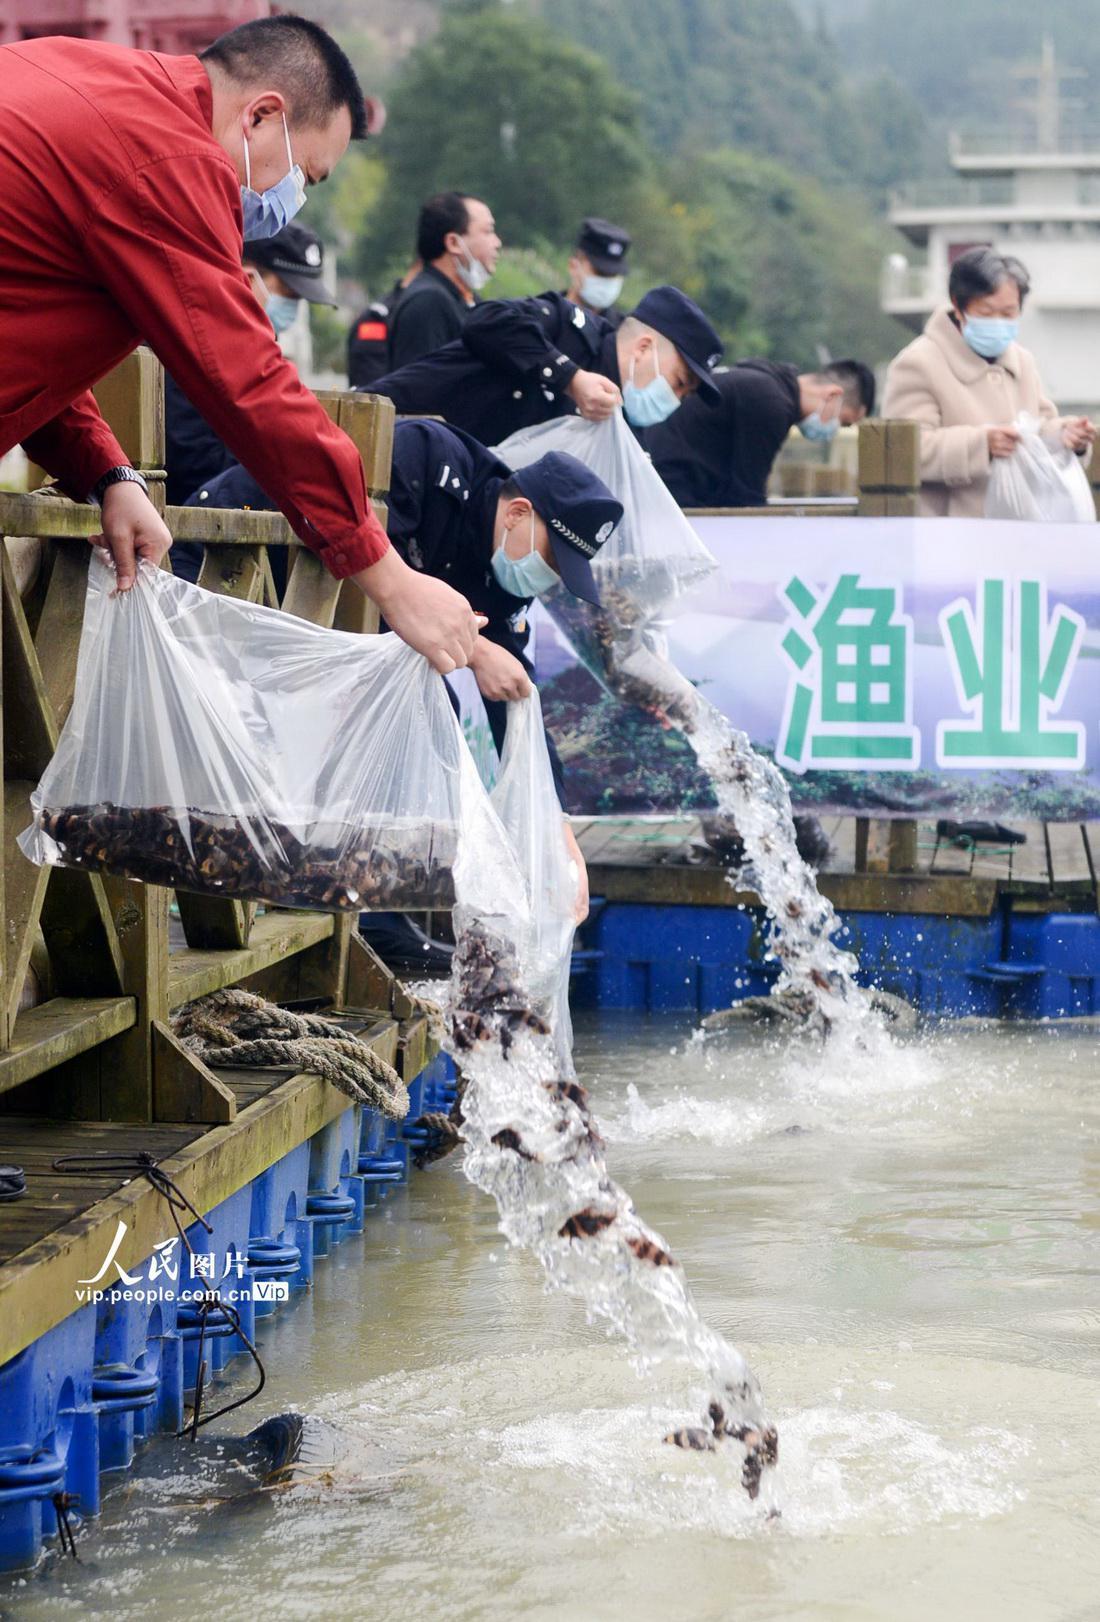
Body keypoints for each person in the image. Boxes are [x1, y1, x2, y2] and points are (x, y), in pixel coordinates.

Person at [0, 17, 480, 675]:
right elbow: (248, 383)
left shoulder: (83, 74)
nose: (293, 202)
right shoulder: (174, 160)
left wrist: (107, 472)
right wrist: (393, 581)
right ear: (260, 116)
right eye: (307, 175)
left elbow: (30, 322)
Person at [190, 418, 626, 925]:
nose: (546, 580)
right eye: (552, 560)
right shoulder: (425, 459)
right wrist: (477, 650)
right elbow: (365, 572)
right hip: (226, 560)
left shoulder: (506, 578)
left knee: (436, 708)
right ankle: (352, 910)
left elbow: (515, 695)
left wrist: (558, 827)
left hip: (309, 630)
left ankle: (373, 910)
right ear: (518, 512)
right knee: (412, 712)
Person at [370, 284, 723, 448]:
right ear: (643, 348)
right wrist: (570, 378)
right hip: (376, 439)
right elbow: (487, 321)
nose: (675, 399)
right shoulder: (566, 328)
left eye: (685, 394)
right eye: (678, 382)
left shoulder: (626, 432)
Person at [882, 247, 1095, 517]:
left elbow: (1038, 428)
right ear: (958, 307)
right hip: (947, 532)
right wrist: (982, 445)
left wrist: (1065, 434)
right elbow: (904, 450)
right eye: (986, 312)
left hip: (1018, 527)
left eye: (1008, 314)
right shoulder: (918, 363)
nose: (998, 323)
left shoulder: (1023, 361)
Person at [165, 222, 338, 508]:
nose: (291, 308)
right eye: (288, 293)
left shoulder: (263, 345)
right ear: (246, 276)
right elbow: (190, 454)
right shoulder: (194, 335)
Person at [649, 358, 875, 509]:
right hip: (673, 496)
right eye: (843, 422)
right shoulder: (770, 403)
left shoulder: (762, 383)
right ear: (833, 395)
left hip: (663, 487)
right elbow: (746, 497)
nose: (835, 430)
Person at [382, 192, 501, 372]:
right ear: (453, 242)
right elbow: (420, 387)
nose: (497, 242)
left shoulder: (469, 300)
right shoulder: (427, 302)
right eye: (488, 231)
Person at [563, 216, 631, 329]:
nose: (607, 281)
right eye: (600, 272)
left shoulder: (621, 334)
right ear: (573, 266)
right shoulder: (542, 313)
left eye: (614, 274)